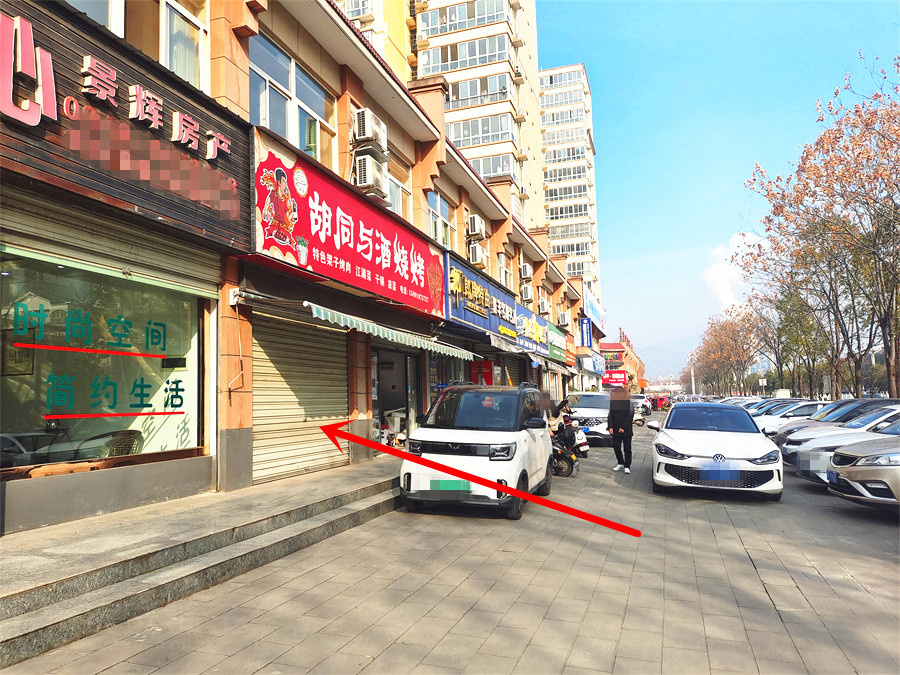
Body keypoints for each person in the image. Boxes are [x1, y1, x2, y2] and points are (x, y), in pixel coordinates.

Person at [607, 386, 634, 473]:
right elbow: (610, 416)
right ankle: (620, 462)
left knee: (627, 449)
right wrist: (610, 427)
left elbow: (630, 417)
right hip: (615, 430)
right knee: (616, 447)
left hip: (626, 431)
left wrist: (623, 427)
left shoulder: (629, 403)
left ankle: (627, 466)